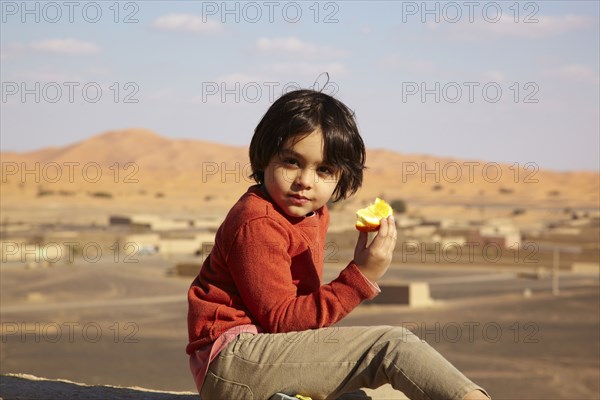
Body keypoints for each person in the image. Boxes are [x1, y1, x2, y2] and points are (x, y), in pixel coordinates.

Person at [186, 89, 490, 400]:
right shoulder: (258, 222)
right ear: (265, 156)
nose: (305, 180)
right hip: (235, 361)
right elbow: (283, 321)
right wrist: (361, 277)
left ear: (341, 177)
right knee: (391, 346)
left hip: (260, 356)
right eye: (292, 161)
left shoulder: (314, 213)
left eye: (324, 170)